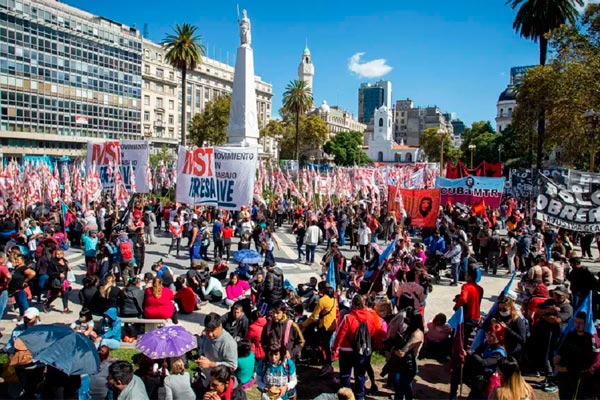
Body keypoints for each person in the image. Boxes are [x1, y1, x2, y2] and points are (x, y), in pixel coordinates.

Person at [332, 294, 385, 399]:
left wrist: (334, 348)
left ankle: (346, 396)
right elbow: (375, 332)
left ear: (352, 305)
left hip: (346, 350)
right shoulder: (371, 317)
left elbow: (340, 334)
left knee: (345, 375)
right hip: (363, 350)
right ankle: (360, 396)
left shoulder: (348, 318)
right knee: (360, 375)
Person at [553, 311, 597, 399]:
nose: (577, 325)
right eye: (576, 322)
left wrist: (566, 369)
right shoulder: (570, 335)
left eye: (581, 323)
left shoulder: (590, 340)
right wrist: (558, 358)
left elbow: (586, 362)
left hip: (578, 377)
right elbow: (562, 350)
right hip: (564, 376)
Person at [6, 307, 45, 399]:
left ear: (36, 317)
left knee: (35, 386)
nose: (26, 320)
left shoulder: (42, 330)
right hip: (20, 364)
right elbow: (10, 343)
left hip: (36, 365)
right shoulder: (18, 329)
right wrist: (11, 351)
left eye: (29, 318)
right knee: (25, 385)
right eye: (25, 317)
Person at [302, 281, 337, 376]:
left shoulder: (322, 301)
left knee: (315, 343)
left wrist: (304, 324)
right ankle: (328, 364)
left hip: (324, 326)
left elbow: (313, 316)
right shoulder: (333, 298)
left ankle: (325, 364)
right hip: (332, 325)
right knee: (326, 346)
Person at [196, 312, 238, 390]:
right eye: (208, 330)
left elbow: (232, 366)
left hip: (218, 383)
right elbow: (202, 346)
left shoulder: (228, 343)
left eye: (213, 330)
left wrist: (211, 364)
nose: (210, 334)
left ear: (220, 326)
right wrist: (201, 355)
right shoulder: (206, 335)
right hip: (206, 376)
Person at [453, 267, 483, 345]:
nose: (465, 276)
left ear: (469, 276)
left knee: (461, 336)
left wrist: (457, 306)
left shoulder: (466, 286)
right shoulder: (480, 288)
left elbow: (463, 299)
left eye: (466, 275)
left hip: (468, 316)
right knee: (466, 337)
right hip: (476, 316)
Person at [43, 248, 72, 314]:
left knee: (65, 294)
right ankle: (47, 304)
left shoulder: (65, 261)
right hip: (56, 281)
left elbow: (66, 268)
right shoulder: (52, 262)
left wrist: (68, 268)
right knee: (55, 294)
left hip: (64, 281)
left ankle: (65, 308)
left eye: (60, 254)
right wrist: (58, 274)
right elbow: (49, 272)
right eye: (57, 254)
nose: (59, 255)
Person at [8, 254, 35, 320]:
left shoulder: (23, 268)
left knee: (23, 304)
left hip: (21, 289)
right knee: (20, 304)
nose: (16, 261)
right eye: (16, 259)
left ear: (22, 260)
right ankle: (21, 316)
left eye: (18, 260)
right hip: (15, 289)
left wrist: (25, 281)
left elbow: (32, 273)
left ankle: (27, 319)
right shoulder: (17, 268)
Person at [0, 251, 12, 320]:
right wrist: (6, 283)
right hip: (2, 289)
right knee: (1, 307)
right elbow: (9, 276)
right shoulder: (2, 268)